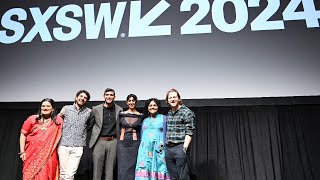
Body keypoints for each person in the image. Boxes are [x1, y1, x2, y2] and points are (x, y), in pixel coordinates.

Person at [19, 98, 63, 180]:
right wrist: (22, 152)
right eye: (43, 106)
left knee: (46, 175)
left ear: (52, 109)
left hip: (49, 155)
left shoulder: (58, 121)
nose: (45, 108)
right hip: (31, 153)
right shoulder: (32, 119)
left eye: (48, 106)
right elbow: (23, 134)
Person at [87, 88, 123, 180]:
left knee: (110, 170)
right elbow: (89, 125)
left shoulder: (119, 109)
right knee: (97, 169)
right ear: (104, 96)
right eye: (107, 95)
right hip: (99, 141)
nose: (109, 96)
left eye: (111, 95)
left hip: (113, 141)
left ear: (114, 97)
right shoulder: (95, 109)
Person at [57, 90, 91, 180]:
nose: (82, 98)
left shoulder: (89, 112)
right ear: (76, 97)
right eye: (81, 96)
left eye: (85, 98)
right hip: (64, 144)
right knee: (63, 174)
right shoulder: (66, 108)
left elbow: (90, 125)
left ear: (86, 101)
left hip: (78, 146)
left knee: (70, 174)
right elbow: (57, 121)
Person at [135, 98, 170, 180]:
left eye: (154, 105)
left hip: (159, 149)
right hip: (145, 151)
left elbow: (168, 133)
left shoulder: (164, 119)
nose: (152, 107)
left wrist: (162, 145)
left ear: (158, 107)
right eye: (150, 105)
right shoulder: (144, 121)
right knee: (144, 168)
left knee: (160, 167)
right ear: (147, 107)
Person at [164, 89, 196, 180]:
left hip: (180, 147)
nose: (172, 99)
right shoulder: (169, 112)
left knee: (183, 176)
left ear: (179, 98)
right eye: (170, 98)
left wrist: (184, 148)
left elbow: (189, 131)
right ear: (167, 100)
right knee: (173, 176)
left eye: (174, 97)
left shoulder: (186, 112)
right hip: (168, 148)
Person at [117, 94, 144, 180]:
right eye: (129, 101)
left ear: (136, 102)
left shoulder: (140, 115)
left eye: (133, 100)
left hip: (134, 144)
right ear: (127, 102)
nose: (131, 102)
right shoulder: (121, 114)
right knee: (122, 165)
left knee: (133, 165)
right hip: (122, 144)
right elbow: (118, 129)